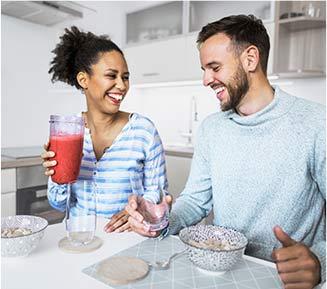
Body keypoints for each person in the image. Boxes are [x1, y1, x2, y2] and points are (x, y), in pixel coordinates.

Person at [126, 15, 326, 289]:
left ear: (250, 59)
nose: (206, 79)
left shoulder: (317, 124)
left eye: (214, 67)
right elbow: (195, 202)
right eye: (204, 69)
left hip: (284, 281)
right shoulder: (211, 128)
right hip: (218, 276)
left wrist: (319, 263)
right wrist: (160, 220)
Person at [42, 26, 167, 233]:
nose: (122, 85)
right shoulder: (68, 132)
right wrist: (58, 177)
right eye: (112, 75)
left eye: (125, 77)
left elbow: (157, 192)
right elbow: (57, 203)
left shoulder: (143, 131)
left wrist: (139, 210)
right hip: (78, 237)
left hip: (126, 240)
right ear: (84, 80)